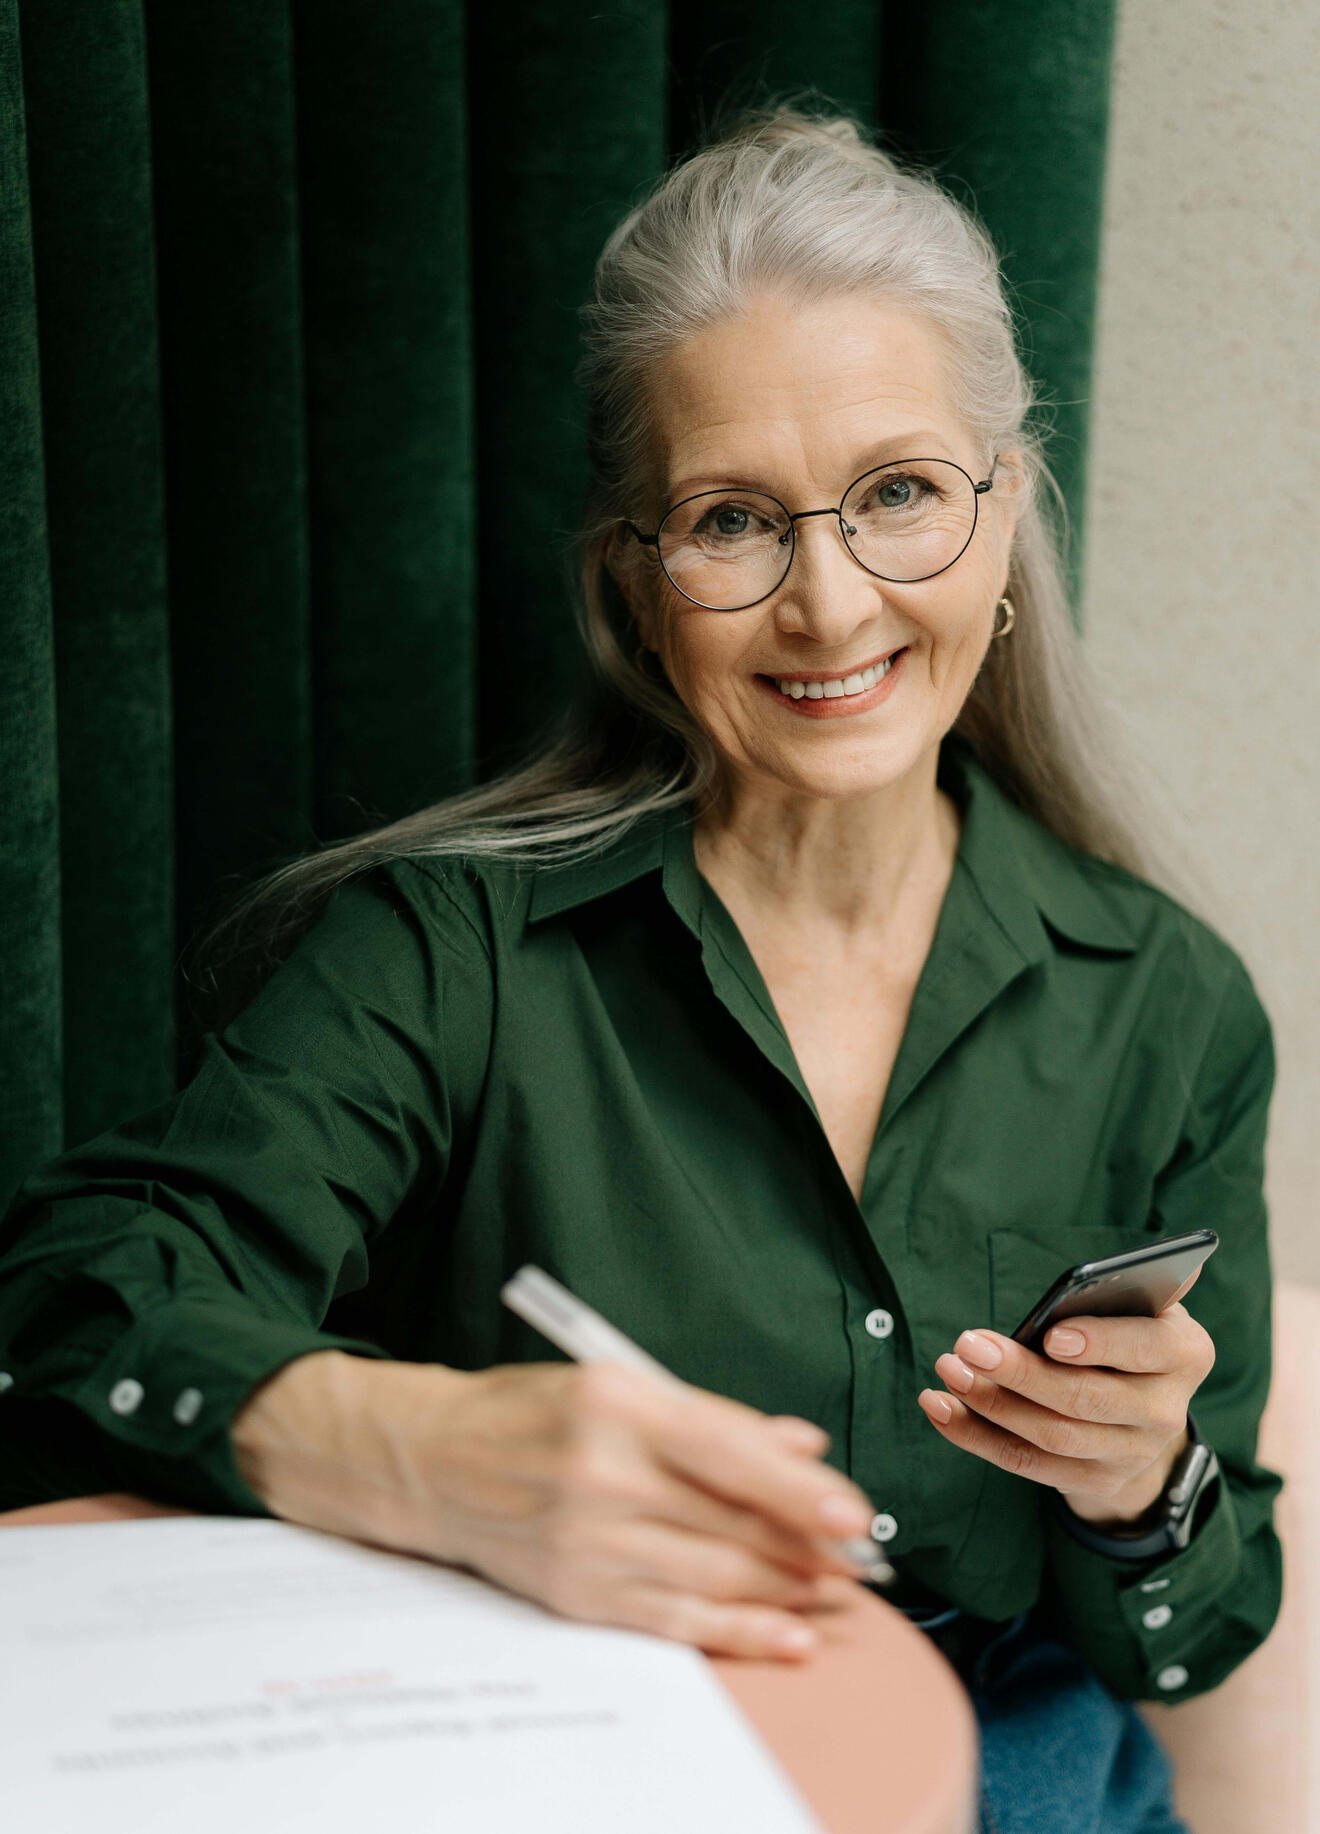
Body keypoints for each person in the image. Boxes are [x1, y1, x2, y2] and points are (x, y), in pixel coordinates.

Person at [0, 107, 1281, 1834]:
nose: (829, 607)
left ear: (1005, 513)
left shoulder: (1171, 1003)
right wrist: (415, 1452)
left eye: (900, 492)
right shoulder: (450, 951)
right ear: (635, 577)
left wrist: (1147, 1495)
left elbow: (1198, 1640)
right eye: (734, 520)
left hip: (1023, 1780)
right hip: (568, 1756)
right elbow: (72, 1292)